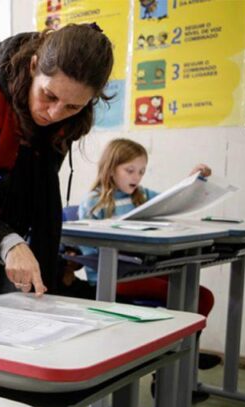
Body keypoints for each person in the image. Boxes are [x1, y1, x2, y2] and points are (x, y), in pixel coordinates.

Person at [0, 23, 114, 296]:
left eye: (72, 106)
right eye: (49, 96)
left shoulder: (67, 116)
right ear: (33, 67)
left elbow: (37, 190)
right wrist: (8, 244)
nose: (54, 113)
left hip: (2, 212)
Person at [77, 138, 220, 375]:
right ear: (111, 169)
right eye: (130, 170)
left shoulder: (140, 195)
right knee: (182, 299)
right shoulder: (94, 201)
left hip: (147, 269)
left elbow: (173, 201)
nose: (136, 177)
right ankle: (171, 364)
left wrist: (193, 181)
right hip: (115, 276)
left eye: (141, 171)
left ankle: (186, 355)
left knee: (203, 297)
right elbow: (89, 250)